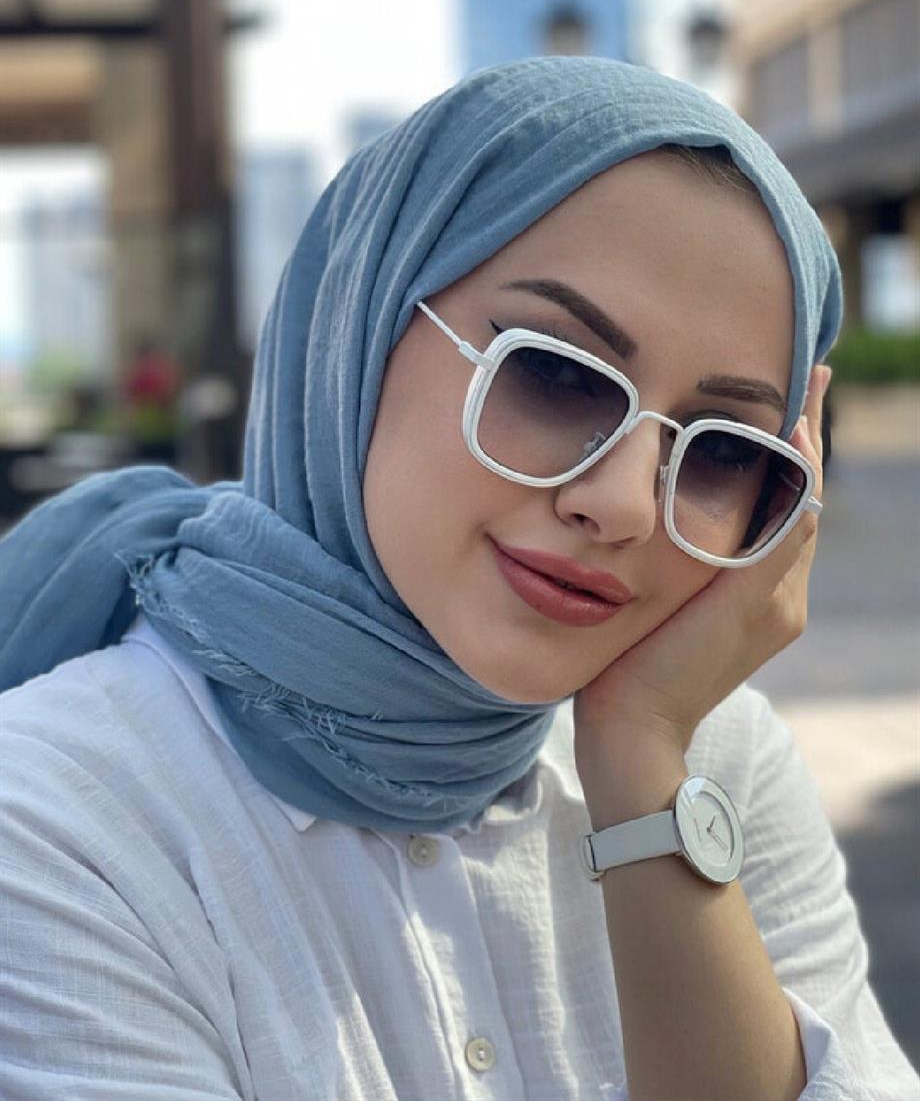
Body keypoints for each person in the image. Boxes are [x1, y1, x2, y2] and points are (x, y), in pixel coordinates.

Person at [0, 58, 916, 1101]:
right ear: (360, 324)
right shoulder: (57, 815)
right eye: (556, 373)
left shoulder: (716, 764)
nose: (621, 503)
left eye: (721, 450)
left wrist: (641, 767)